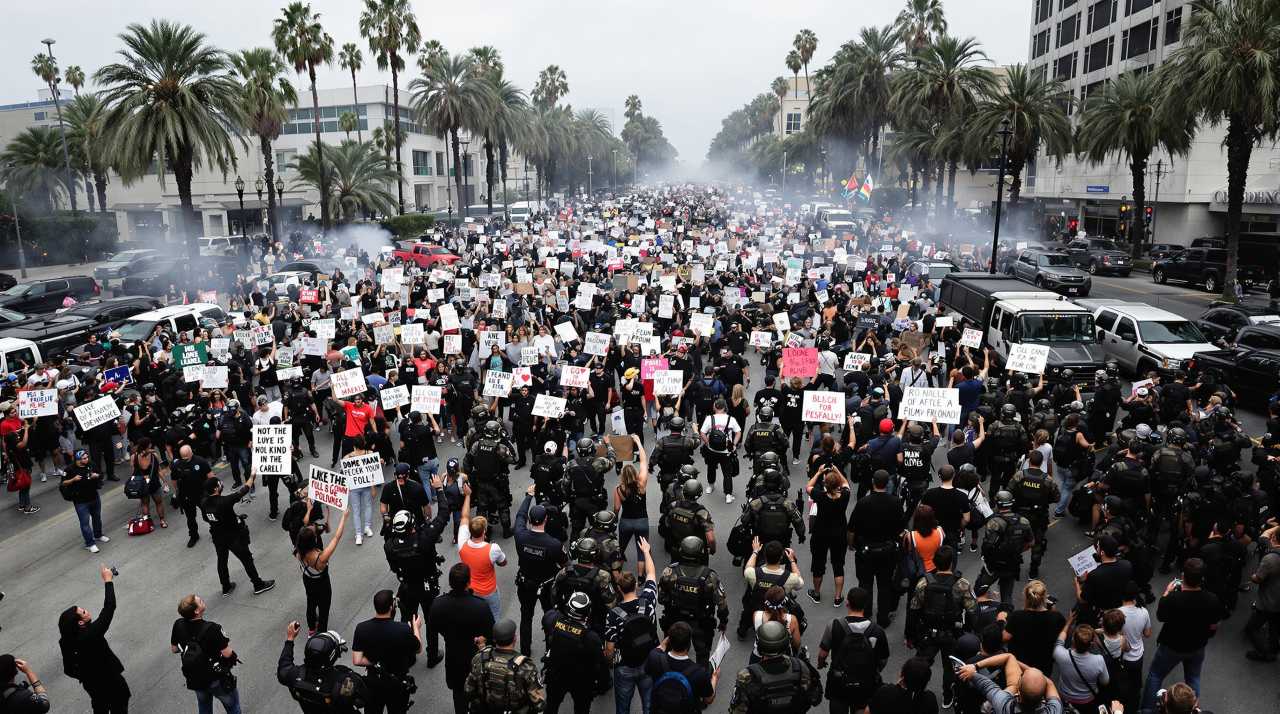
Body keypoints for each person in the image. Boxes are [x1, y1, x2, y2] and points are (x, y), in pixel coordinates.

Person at [1140, 558, 1220, 712]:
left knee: (1156, 675)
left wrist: (1166, 592)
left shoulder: (1173, 599)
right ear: (1202, 579)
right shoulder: (1212, 599)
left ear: (1183, 576)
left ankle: (1147, 710)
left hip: (1171, 647)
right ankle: (1192, 709)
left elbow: (1160, 616)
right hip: (1197, 646)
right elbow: (1213, 625)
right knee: (1193, 678)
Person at [906, 545, 975, 710]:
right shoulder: (962, 584)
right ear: (951, 563)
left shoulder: (924, 582)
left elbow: (913, 610)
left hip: (928, 632)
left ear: (935, 562)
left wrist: (910, 635)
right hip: (952, 632)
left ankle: (914, 693)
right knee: (950, 666)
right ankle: (948, 694)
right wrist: (967, 631)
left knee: (920, 664)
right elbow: (972, 611)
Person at [58, 566, 129, 714]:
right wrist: (108, 580)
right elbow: (109, 607)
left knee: (100, 706)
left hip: (92, 685)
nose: (87, 610)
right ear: (80, 622)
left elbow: (69, 669)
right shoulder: (91, 634)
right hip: (110, 680)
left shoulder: (65, 641)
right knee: (119, 705)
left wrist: (85, 675)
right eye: (83, 611)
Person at [429, 563, 496, 714]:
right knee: (480, 692)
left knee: (458, 693)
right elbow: (491, 633)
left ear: (450, 582)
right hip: (476, 656)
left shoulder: (438, 604)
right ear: (469, 582)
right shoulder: (480, 606)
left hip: (453, 655)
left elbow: (434, 627)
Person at [200, 470, 276, 597]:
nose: (221, 484)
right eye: (219, 483)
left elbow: (206, 518)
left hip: (218, 537)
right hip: (234, 537)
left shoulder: (204, 503)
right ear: (216, 488)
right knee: (247, 560)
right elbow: (244, 489)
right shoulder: (225, 501)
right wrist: (252, 476)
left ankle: (226, 586)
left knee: (222, 561)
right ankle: (258, 585)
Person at [817, 587, 890, 714]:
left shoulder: (834, 625)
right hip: (865, 683)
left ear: (847, 603)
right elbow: (883, 659)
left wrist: (821, 663)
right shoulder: (877, 630)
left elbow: (823, 653)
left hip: (839, 684)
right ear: (866, 605)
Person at [606, 538, 660, 714]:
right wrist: (646, 551)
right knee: (649, 704)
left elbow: (610, 648)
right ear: (636, 586)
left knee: (623, 707)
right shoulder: (648, 601)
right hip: (649, 660)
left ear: (619, 589)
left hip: (625, 666)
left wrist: (610, 662)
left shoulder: (614, 614)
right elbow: (651, 574)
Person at [513, 486, 567, 657]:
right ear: (545, 520)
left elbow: (520, 515)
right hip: (547, 586)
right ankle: (549, 650)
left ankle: (525, 651)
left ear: (530, 520)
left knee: (526, 616)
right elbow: (565, 564)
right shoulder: (553, 544)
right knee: (550, 616)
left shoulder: (520, 536)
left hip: (525, 583)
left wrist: (529, 496)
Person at [657, 536, 730, 665]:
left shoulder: (669, 572)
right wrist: (723, 621)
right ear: (701, 553)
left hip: (675, 620)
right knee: (702, 654)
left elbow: (661, 599)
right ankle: (700, 680)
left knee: (672, 652)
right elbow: (721, 603)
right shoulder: (710, 576)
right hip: (701, 622)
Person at [848, 469, 906, 627]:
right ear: (887, 483)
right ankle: (883, 617)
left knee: (865, 584)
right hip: (888, 551)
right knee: (885, 585)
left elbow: (852, 529)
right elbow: (901, 528)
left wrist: (851, 545)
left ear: (873, 482)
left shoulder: (863, 503)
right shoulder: (895, 502)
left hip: (866, 551)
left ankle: (865, 615)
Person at [727, 620, 822, 714]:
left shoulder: (747, 676)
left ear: (760, 647)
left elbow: (736, 711)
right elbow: (815, 699)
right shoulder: (800, 667)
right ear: (785, 644)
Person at [353, 589, 424, 714]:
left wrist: (377, 662)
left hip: (374, 681)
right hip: (397, 681)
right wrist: (416, 628)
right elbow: (418, 649)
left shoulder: (362, 628)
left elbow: (357, 660)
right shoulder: (402, 629)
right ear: (391, 607)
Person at [170, 594, 241, 714]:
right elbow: (227, 653)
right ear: (197, 611)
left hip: (194, 678)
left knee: (204, 705)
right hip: (215, 678)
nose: (203, 600)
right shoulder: (212, 629)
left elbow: (174, 649)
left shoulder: (178, 624)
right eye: (200, 601)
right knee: (232, 706)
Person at [277, 622, 368, 714]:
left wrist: (290, 639)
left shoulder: (294, 675)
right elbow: (362, 700)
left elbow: (284, 665)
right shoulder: (345, 681)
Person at [542, 591, 609, 714]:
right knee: (581, 709)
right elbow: (600, 663)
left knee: (551, 705)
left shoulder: (552, 620)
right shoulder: (591, 638)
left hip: (556, 674)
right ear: (587, 612)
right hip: (581, 680)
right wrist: (604, 684)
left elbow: (550, 616)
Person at [464, 619, 545, 714]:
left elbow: (468, 690)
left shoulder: (479, 659)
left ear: (494, 639)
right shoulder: (525, 666)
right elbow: (537, 702)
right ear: (514, 638)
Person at [458, 483, 508, 621]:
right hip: (489, 591)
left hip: (470, 590)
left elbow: (464, 516)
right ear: (484, 532)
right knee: (494, 617)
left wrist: (468, 496)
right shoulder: (492, 549)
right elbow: (503, 563)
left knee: (474, 618)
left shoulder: (462, 544)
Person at [295, 506, 349, 634]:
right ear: (313, 541)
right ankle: (321, 634)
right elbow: (336, 537)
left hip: (308, 580)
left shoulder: (298, 551)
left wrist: (309, 509)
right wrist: (343, 517)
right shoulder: (321, 558)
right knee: (324, 610)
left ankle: (312, 629)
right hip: (322, 584)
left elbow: (305, 529)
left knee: (311, 602)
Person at [956, 652, 1066, 714]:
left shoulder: (1003, 705)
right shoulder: (1055, 710)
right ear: (1043, 696)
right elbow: (1050, 683)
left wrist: (974, 668)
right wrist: (1033, 673)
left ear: (1018, 690)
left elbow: (1009, 657)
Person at [644, 621, 718, 713]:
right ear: (689, 644)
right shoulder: (699, 673)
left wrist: (667, 640)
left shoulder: (655, 657)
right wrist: (714, 678)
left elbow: (660, 648)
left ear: (670, 640)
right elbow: (708, 699)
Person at [980, 491, 1034, 605]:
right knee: (1007, 595)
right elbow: (1031, 543)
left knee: (979, 589)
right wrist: (1018, 550)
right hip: (1012, 564)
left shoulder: (993, 523)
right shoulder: (1024, 521)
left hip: (993, 565)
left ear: (997, 504)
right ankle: (1005, 617)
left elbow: (988, 545)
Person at [1003, 580, 1066, 677]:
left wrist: (1001, 621)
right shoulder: (1055, 617)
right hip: (1044, 665)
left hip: (1020, 665)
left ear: (1026, 597)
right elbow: (1061, 630)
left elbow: (1005, 637)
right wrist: (1053, 610)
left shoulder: (1017, 616)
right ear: (1044, 598)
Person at [1053, 613, 1109, 713]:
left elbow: (1060, 640)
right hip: (1087, 699)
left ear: (1073, 640)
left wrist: (1068, 623)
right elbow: (1105, 681)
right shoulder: (1099, 660)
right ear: (1091, 644)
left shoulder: (1060, 654)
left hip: (1064, 696)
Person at [59, 449, 109, 553]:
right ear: (77, 460)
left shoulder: (91, 464)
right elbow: (63, 483)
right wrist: (73, 479)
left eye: (87, 457)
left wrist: (97, 476)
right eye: (84, 458)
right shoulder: (69, 470)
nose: (87, 460)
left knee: (97, 518)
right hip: (80, 501)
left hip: (94, 497)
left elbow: (101, 474)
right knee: (85, 523)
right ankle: (90, 544)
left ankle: (98, 535)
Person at [1246, 522, 1280, 661]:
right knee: (1274, 626)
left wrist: (1252, 576)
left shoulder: (1270, 558)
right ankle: (1273, 648)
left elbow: (1258, 579)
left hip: (1269, 600)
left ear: (1274, 538)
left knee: (1252, 629)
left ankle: (1263, 653)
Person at [172, 445, 215, 548]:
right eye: (183, 457)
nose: (185, 459)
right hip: (186, 496)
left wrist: (213, 492)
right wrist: (177, 492)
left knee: (208, 514)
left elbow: (211, 477)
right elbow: (174, 480)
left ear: (191, 452)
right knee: (190, 518)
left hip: (201, 494)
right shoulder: (177, 464)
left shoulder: (200, 461)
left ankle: (215, 531)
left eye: (187, 456)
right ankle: (194, 536)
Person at [699, 398, 741, 502]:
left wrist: (707, 443)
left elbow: (702, 433)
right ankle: (728, 495)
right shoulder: (731, 419)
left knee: (711, 468)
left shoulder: (709, 418)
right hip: (726, 451)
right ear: (724, 407)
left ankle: (710, 486)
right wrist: (734, 444)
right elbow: (738, 432)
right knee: (727, 473)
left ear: (715, 407)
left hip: (712, 450)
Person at [867, 656, 938, 714]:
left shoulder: (885, 692)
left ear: (902, 675)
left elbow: (868, 711)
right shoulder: (930, 699)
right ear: (927, 681)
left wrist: (895, 687)